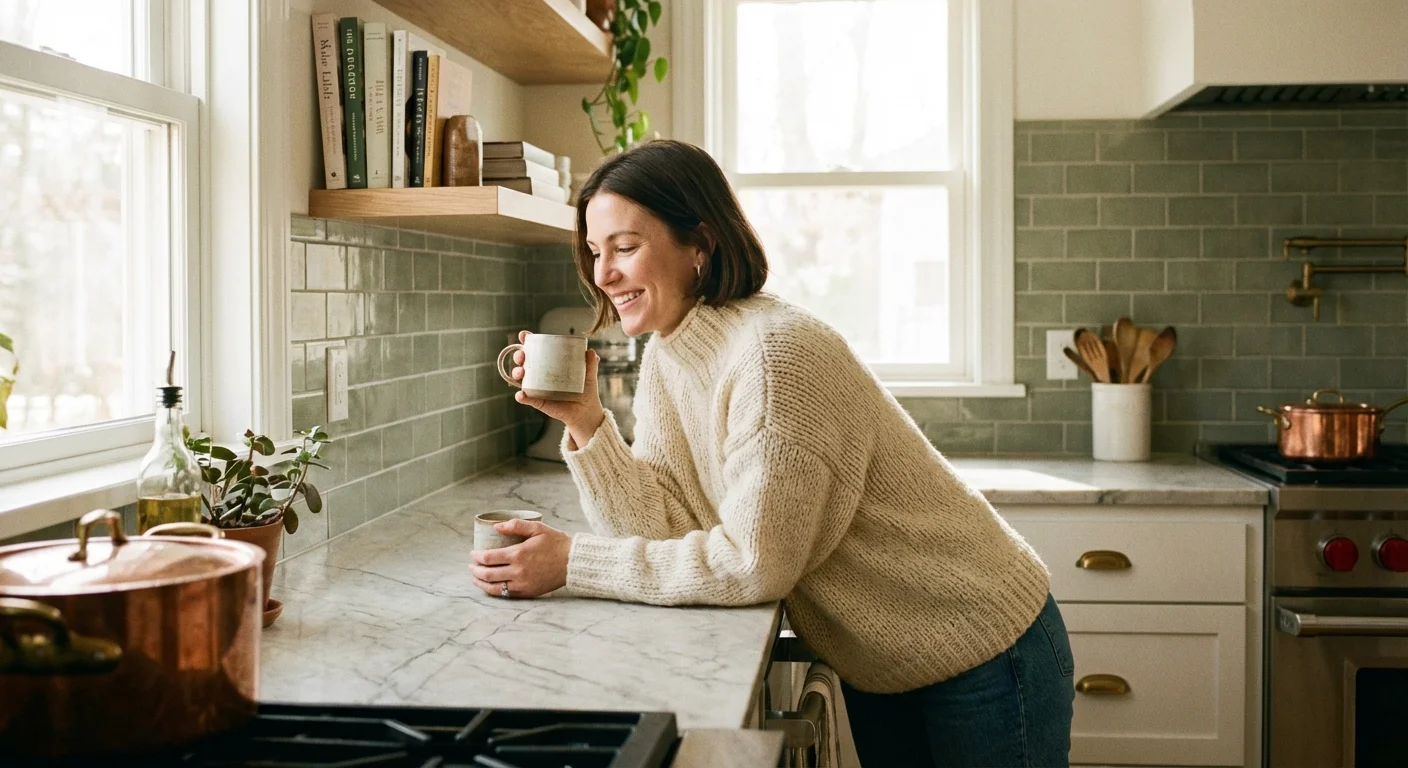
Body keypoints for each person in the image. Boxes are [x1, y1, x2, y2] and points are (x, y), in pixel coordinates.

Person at [468, 139, 1075, 767]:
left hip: (984, 648)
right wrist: (588, 423)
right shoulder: (672, 353)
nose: (603, 275)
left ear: (697, 245)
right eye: (595, 252)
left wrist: (575, 564)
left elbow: (754, 563)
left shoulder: (773, 356)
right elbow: (668, 528)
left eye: (625, 248)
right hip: (883, 663)